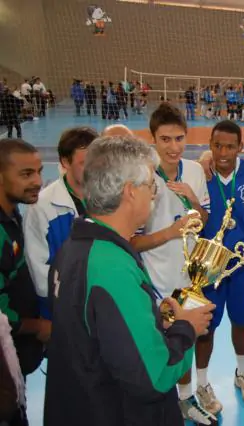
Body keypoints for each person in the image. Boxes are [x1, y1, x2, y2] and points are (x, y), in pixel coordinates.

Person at [43, 135, 214, 426]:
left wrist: (153, 321)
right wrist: (186, 328)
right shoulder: (112, 268)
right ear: (130, 192)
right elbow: (154, 376)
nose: (154, 194)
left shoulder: (75, 248)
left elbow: (100, 335)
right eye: (151, 186)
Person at [129, 103, 213, 424]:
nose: (173, 147)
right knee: (155, 347)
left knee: (185, 340)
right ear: (153, 139)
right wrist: (170, 232)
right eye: (165, 139)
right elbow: (131, 241)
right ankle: (157, 405)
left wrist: (193, 199)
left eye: (179, 138)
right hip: (153, 280)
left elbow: (204, 221)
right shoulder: (141, 176)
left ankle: (186, 398)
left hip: (188, 277)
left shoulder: (194, 171)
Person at [196, 120, 244, 407]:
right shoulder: (200, 173)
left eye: (230, 146)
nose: (223, 153)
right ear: (210, 146)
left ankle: (242, 373)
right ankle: (202, 384)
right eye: (217, 146)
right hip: (207, 263)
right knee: (206, 326)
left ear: (240, 147)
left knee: (241, 321)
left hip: (242, 262)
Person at [24, 127, 98, 320]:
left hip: (96, 307)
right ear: (65, 162)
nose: (92, 170)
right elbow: (40, 275)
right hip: (61, 311)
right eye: (84, 163)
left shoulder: (106, 197)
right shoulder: (42, 208)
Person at [0, 138, 46, 425]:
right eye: (26, 174)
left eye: (39, 172)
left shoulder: (12, 213)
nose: (38, 181)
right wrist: (38, 327)